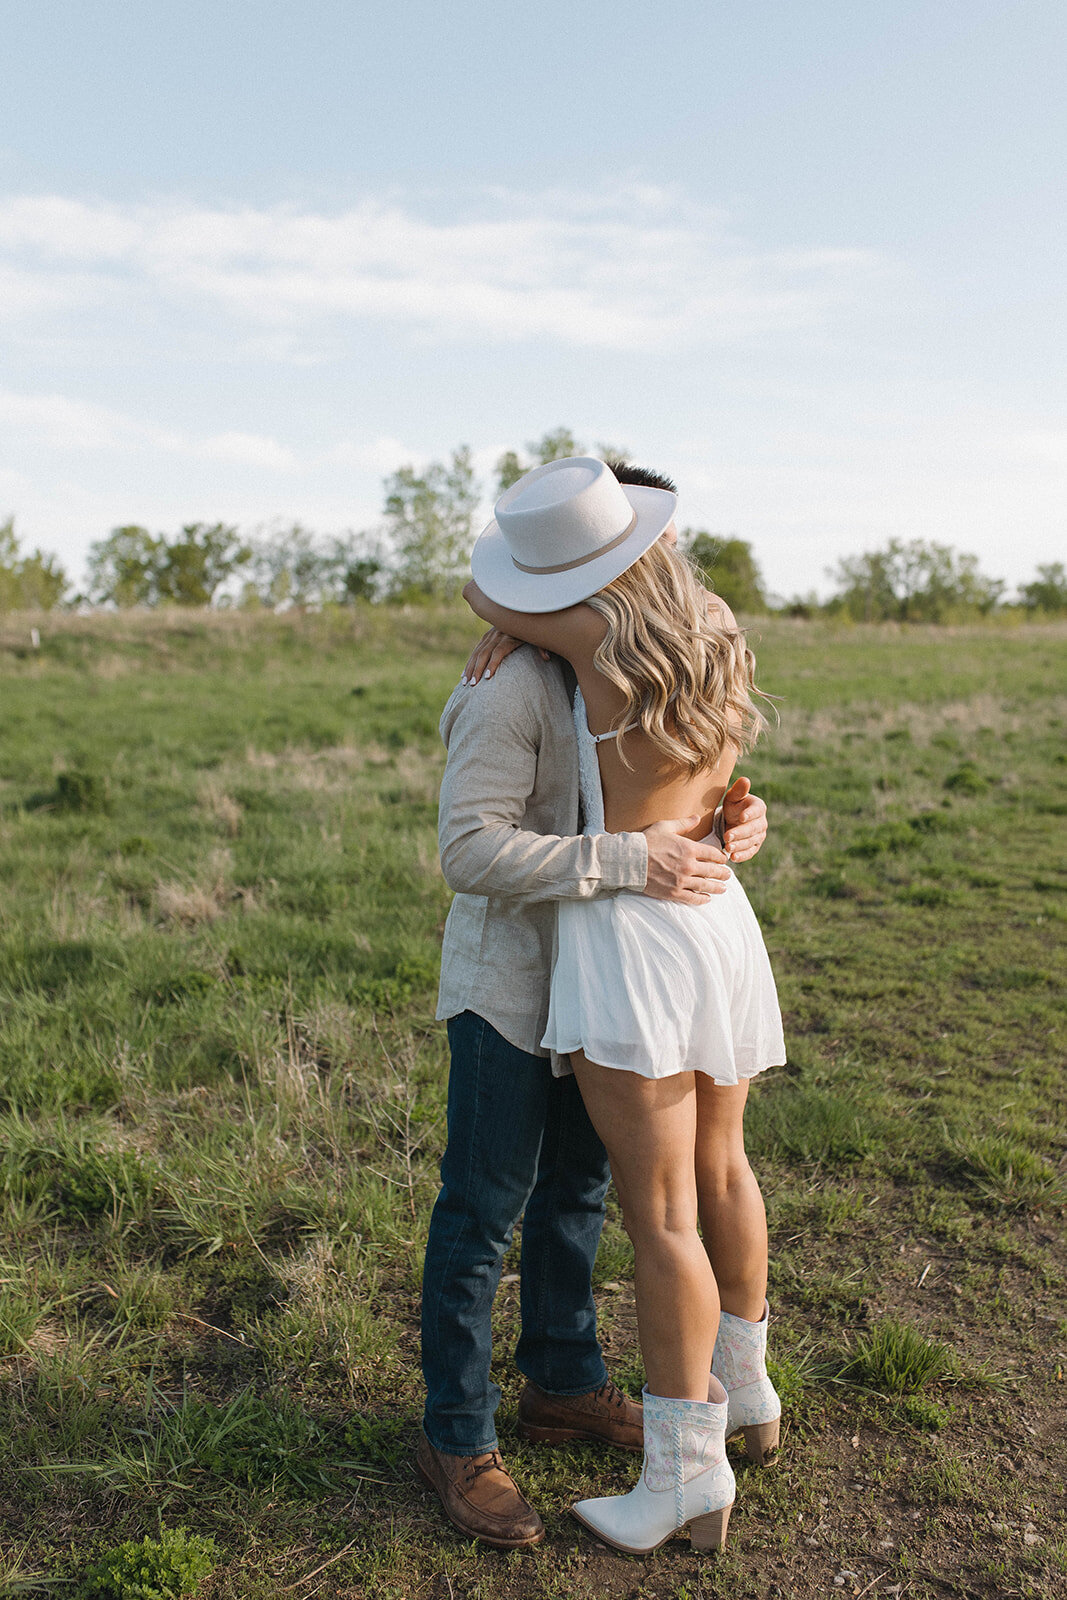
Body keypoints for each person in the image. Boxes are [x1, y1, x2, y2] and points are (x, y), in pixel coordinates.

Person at [418, 461, 772, 1550]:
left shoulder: (601, 648)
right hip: (515, 985)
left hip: (619, 971)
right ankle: (456, 1431)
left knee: (580, 1193)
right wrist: (631, 854)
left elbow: (698, 790)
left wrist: (730, 826)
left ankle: (564, 1380)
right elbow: (466, 849)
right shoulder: (519, 682)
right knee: (483, 1206)